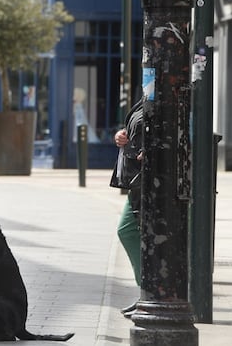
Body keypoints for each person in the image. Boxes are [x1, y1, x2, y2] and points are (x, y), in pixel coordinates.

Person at [110, 99, 143, 318]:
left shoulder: (182, 89)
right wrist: (123, 134)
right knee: (128, 230)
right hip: (140, 180)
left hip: (166, 180)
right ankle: (148, 292)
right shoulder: (150, 89)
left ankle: (159, 295)